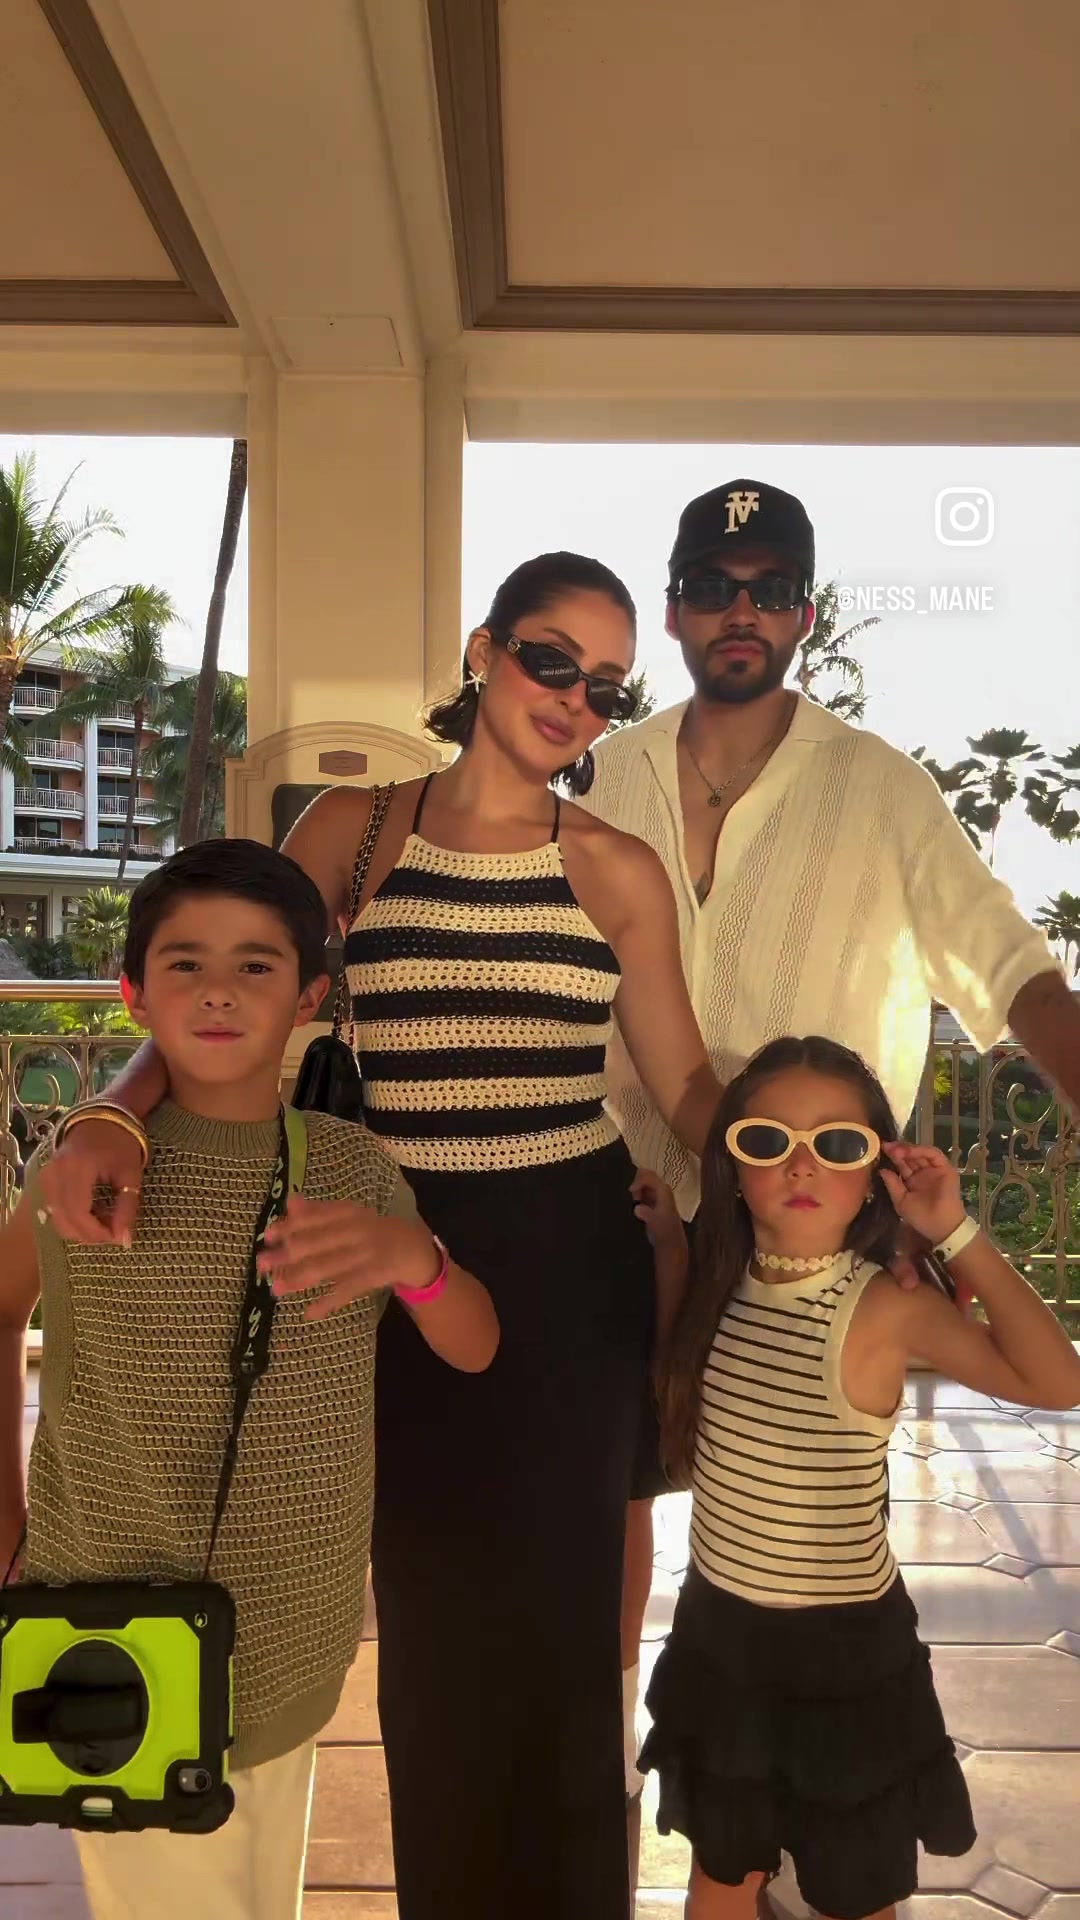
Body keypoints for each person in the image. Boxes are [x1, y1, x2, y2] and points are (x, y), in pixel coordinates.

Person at [35, 553, 723, 1920]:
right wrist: (115, 1109)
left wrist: (803, 1153)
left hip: (565, 1263)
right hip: (381, 1241)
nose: (573, 699)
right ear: (483, 650)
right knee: (428, 1615)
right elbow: (235, 978)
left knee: (564, 1623)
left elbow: (690, 1086)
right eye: (549, 659)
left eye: (605, 684)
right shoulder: (353, 832)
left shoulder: (617, 870)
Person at [581, 476, 1080, 1808]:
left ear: (807, 611)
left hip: (813, 1231)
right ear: (675, 607)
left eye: (771, 590)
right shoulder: (604, 776)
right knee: (612, 1497)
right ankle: (608, 1779)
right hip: (625, 1207)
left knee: (806, 1517)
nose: (740, 612)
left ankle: (829, 1816)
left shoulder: (881, 789)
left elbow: (1008, 966)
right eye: (713, 587)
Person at [0, 841, 498, 1920]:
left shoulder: (353, 1170)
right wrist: (5, 1516)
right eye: (184, 964)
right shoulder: (81, 1178)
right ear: (133, 995)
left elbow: (475, 1344)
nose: (218, 990)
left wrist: (413, 1259)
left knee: (262, 1888)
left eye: (256, 966)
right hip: (113, 1625)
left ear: (308, 998)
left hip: (291, 1620)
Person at [642, 1032, 1080, 1920]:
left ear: (876, 1171)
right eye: (767, 1140)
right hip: (721, 1634)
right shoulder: (722, 1283)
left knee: (854, 1888)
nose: (801, 1163)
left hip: (843, 1655)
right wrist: (667, 1254)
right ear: (731, 1165)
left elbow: (1057, 1381)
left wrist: (953, 1230)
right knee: (721, 1874)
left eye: (838, 1144)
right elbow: (680, 1393)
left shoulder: (883, 1307)